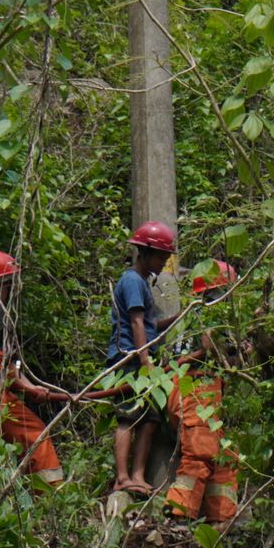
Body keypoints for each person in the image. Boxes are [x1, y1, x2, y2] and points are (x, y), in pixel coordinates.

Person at [0, 249, 68, 487]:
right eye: (8, 283)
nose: (12, 288)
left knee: (26, 434)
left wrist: (33, 388)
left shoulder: (2, 311)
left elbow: (12, 364)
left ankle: (45, 491)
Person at [165, 259, 241, 523]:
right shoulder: (208, 312)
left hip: (205, 389)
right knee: (201, 451)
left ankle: (219, 518)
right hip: (194, 387)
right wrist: (236, 352)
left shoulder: (197, 312)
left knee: (224, 456)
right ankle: (179, 513)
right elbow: (212, 347)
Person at [107, 221, 176, 494]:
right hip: (130, 360)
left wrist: (175, 319)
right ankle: (122, 476)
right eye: (161, 257)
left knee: (149, 420)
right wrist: (144, 359)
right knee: (128, 417)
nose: (163, 263)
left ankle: (138, 475)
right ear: (145, 253)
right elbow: (136, 323)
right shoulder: (133, 281)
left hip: (143, 358)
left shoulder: (144, 283)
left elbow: (148, 326)